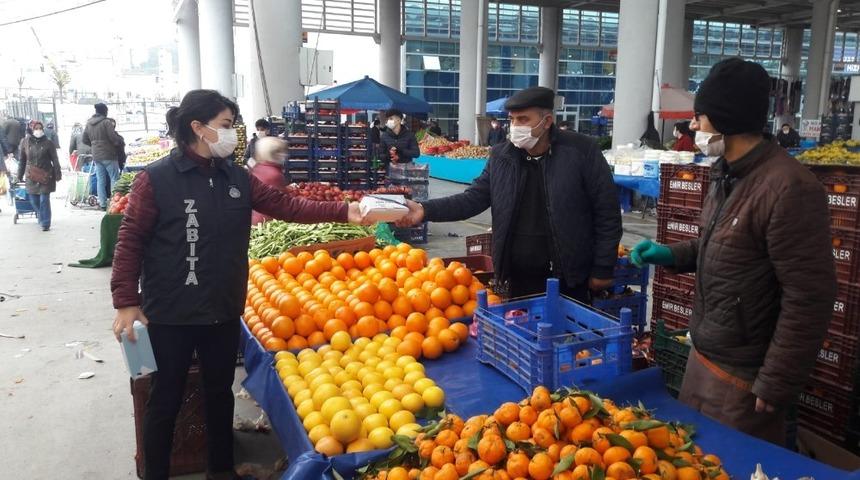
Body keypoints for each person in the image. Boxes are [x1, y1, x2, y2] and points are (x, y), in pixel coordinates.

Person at [110, 89, 363, 480]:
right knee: (165, 399)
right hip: (170, 313)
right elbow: (130, 239)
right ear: (198, 127)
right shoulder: (157, 179)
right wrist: (126, 301)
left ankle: (221, 471)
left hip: (223, 309)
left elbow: (290, 206)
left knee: (218, 393)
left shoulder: (236, 177)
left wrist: (346, 211)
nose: (233, 135)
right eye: (226, 126)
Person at [630, 58, 836, 445]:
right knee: (694, 459)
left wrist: (776, 380)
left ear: (725, 120)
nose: (694, 127)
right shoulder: (726, 172)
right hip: (705, 352)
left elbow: (810, 296)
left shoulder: (789, 188)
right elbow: (725, 245)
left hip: (745, 373)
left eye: (700, 118)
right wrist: (670, 254)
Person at [397, 86, 622, 301]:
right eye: (512, 120)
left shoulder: (581, 151)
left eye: (524, 119)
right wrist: (425, 209)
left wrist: (603, 268)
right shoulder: (502, 156)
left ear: (547, 122)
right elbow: (473, 198)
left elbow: (607, 211)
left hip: (570, 275)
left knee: (570, 336)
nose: (515, 126)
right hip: (518, 274)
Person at [16, 120, 62, 231]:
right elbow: (22, 160)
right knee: (34, 200)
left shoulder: (48, 143)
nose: (38, 130)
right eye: (36, 128)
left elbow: (55, 159)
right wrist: (19, 175)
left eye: (40, 128)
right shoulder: (25, 142)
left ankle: (45, 223)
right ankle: (41, 216)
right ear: (31, 130)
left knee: (44, 200)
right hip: (31, 176)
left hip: (46, 175)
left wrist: (57, 173)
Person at [82, 103, 124, 210]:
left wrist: (94, 145)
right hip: (109, 154)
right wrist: (118, 142)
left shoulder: (88, 123)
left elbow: (84, 139)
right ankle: (115, 203)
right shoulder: (106, 122)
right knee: (114, 178)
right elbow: (113, 138)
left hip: (96, 155)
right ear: (104, 111)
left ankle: (103, 204)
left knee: (101, 180)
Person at [250, 136, 288, 225]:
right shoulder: (274, 175)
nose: (284, 155)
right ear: (272, 153)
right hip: (268, 222)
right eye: (279, 152)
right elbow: (282, 204)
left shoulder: (257, 168)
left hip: (254, 219)